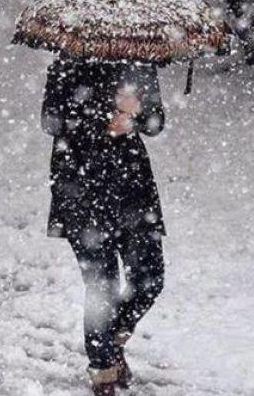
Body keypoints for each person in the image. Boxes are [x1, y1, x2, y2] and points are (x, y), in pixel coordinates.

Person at [40, 53, 166, 396]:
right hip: (81, 190)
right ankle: (103, 372)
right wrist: (105, 116)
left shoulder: (139, 63)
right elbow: (51, 122)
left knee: (150, 278)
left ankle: (111, 340)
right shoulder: (68, 64)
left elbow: (156, 122)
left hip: (132, 192)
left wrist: (135, 115)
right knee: (102, 288)